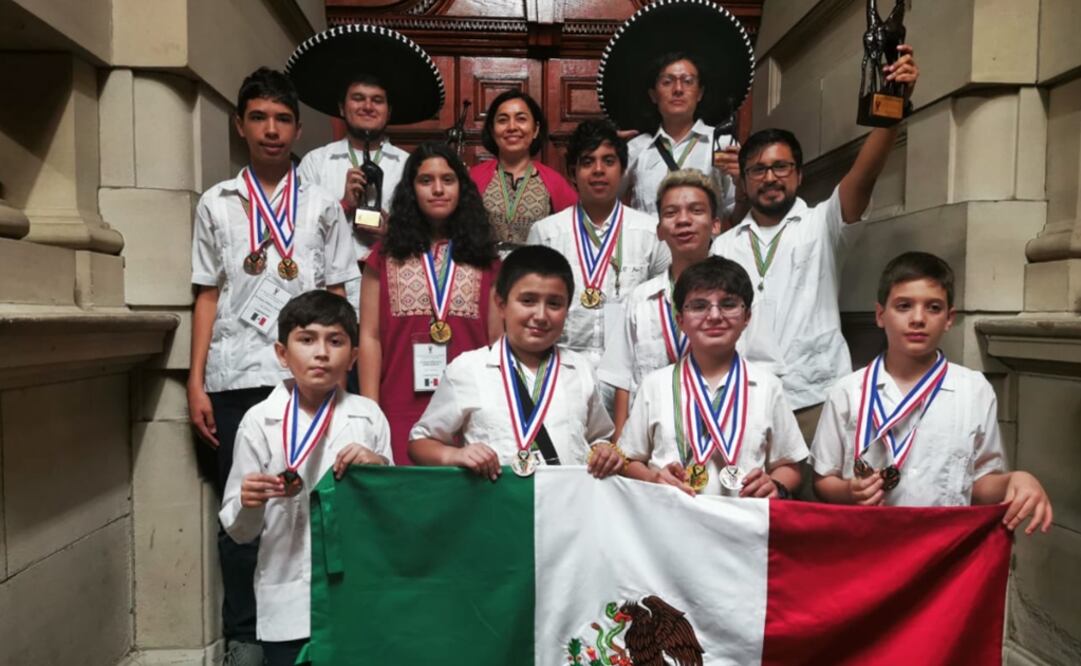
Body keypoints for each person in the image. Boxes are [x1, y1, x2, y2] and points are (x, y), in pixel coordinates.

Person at [187, 67, 357, 666]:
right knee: (245, 506)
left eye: (283, 119)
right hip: (237, 377)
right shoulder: (218, 202)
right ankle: (245, 635)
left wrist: (345, 377)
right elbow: (206, 292)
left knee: (316, 504)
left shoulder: (321, 205)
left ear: (298, 128)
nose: (271, 130)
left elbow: (338, 292)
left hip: (309, 379)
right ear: (240, 125)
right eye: (258, 117)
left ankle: (321, 623)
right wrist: (195, 377)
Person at [711, 45, 921, 443]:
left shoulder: (823, 223)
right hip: (747, 398)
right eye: (757, 169)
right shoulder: (723, 246)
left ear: (799, 174)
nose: (770, 177)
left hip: (817, 397)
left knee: (818, 501)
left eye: (781, 166)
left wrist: (894, 105)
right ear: (743, 179)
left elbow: (867, 172)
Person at [811, 252, 1053, 535]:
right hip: (867, 548)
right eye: (903, 306)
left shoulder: (974, 390)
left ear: (949, 318)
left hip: (941, 552)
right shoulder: (848, 392)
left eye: (933, 308)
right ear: (880, 315)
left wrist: (1017, 480)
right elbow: (822, 481)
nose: (917, 319)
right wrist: (850, 492)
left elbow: (981, 483)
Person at [219, 290, 391, 666]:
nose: (321, 352)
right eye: (307, 339)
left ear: (354, 357)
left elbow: (389, 515)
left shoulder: (369, 417)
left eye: (336, 341)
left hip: (356, 590)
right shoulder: (258, 422)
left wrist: (378, 467)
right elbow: (240, 531)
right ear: (282, 353)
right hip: (287, 595)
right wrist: (249, 503)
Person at [408, 245, 622, 480]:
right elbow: (420, 442)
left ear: (567, 309)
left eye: (554, 304)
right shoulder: (469, 369)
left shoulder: (580, 369)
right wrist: (453, 455)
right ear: (501, 305)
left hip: (564, 507)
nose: (540, 315)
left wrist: (604, 452)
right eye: (528, 300)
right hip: (496, 506)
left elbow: (598, 438)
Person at [360, 142, 501, 463]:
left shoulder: (486, 260)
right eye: (426, 181)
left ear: (461, 188)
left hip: (469, 408)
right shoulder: (384, 257)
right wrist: (371, 410)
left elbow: (497, 342)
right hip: (397, 404)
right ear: (411, 190)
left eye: (448, 180)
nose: (438, 189)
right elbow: (369, 336)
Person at [619, 256, 806, 498]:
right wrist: (652, 478)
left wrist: (775, 485)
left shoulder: (767, 387)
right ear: (680, 320)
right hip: (668, 521)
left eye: (728, 304)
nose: (715, 316)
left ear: (747, 316)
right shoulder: (655, 385)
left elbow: (790, 464)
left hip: (743, 524)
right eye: (699, 306)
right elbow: (628, 459)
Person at [526, 119, 669, 377]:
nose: (598, 170)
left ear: (623, 170)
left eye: (609, 161)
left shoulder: (652, 232)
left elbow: (663, 309)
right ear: (572, 173)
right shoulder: (546, 233)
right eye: (588, 161)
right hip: (562, 371)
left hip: (630, 373)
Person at [599, 170, 720, 438]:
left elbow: (758, 370)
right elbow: (623, 380)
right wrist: (622, 445)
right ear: (660, 231)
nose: (684, 220)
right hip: (651, 436)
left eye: (696, 210)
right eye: (671, 213)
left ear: (715, 224)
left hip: (717, 431)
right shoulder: (640, 299)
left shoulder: (736, 295)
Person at [297, 73, 409, 311]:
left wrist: (392, 232)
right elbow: (299, 234)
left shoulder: (408, 166)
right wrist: (344, 206)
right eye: (358, 98)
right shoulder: (316, 162)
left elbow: (429, 236)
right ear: (341, 107)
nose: (368, 106)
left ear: (389, 111)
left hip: (392, 291)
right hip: (330, 293)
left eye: (377, 100)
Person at [623, 52, 741, 220]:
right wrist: (608, 148)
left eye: (687, 81)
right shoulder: (636, 148)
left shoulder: (721, 143)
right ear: (653, 95)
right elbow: (604, 199)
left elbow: (737, 215)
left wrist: (742, 184)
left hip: (706, 246)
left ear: (699, 93)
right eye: (667, 82)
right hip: (650, 246)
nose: (678, 89)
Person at [469, 90, 577, 254]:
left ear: (535, 129)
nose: (512, 127)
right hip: (484, 273)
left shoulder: (554, 182)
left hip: (536, 274)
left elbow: (574, 232)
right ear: (492, 130)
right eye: (503, 120)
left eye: (521, 119)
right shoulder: (473, 178)